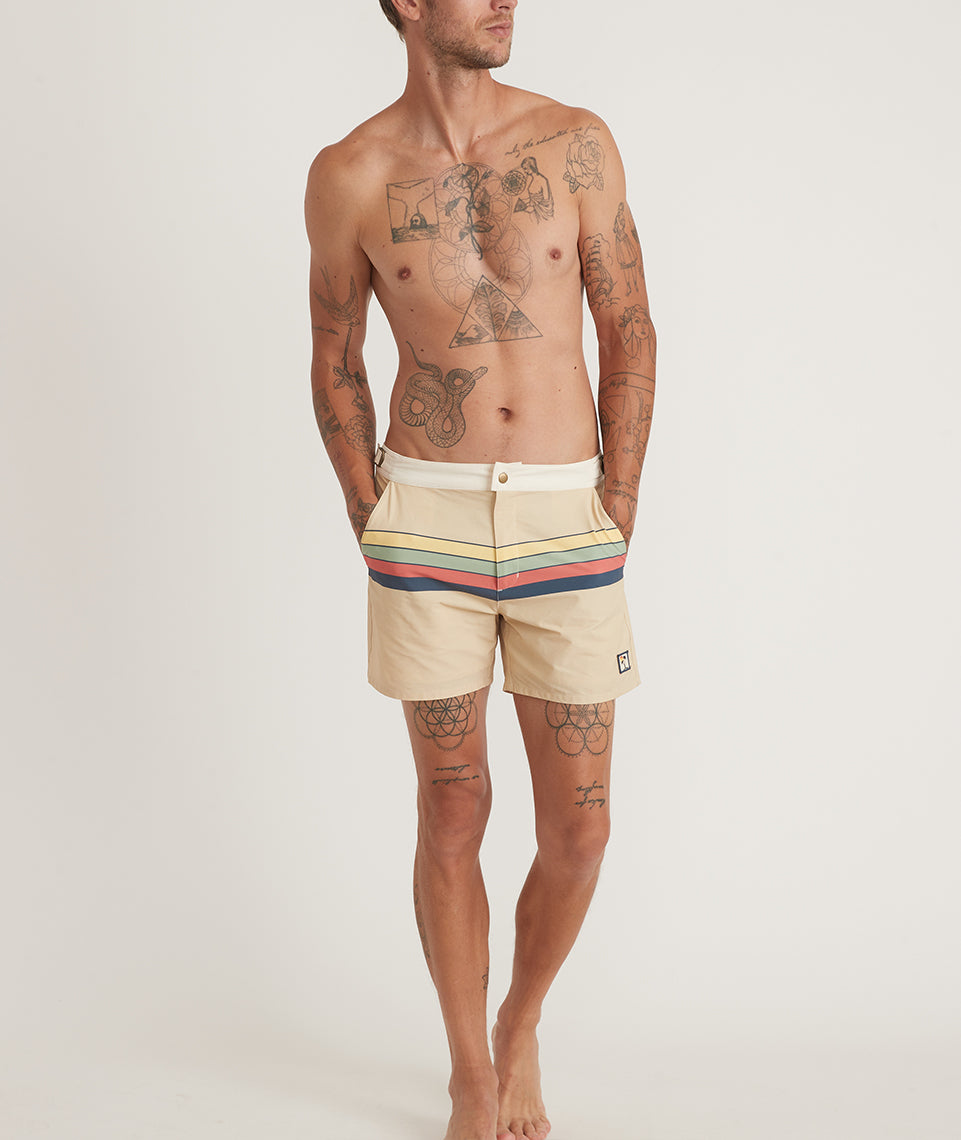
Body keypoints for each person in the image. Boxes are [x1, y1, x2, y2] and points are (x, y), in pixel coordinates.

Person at [304, 3, 655, 1138]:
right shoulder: (350, 172)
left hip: (566, 518)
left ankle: (520, 1023)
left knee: (580, 831)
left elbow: (629, 325)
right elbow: (333, 352)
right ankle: (469, 1072)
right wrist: (370, 512)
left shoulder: (574, 142)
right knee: (452, 808)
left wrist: (616, 503)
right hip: (427, 522)